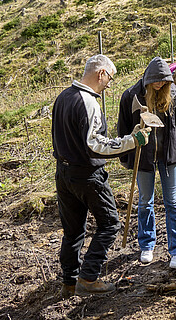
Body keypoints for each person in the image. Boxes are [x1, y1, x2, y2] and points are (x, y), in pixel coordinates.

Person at [52, 54, 151, 298]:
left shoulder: (63, 96)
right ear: (101, 74)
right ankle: (88, 278)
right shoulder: (89, 102)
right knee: (110, 224)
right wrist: (131, 141)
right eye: (110, 78)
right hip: (87, 174)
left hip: (63, 172)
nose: (110, 84)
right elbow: (94, 144)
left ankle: (69, 283)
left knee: (73, 230)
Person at [118, 57, 176, 269]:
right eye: (156, 81)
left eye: (164, 81)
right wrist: (126, 156)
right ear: (148, 79)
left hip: (169, 156)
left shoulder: (174, 93)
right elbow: (123, 128)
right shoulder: (131, 96)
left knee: (173, 203)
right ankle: (147, 245)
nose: (160, 85)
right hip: (143, 157)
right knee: (145, 201)